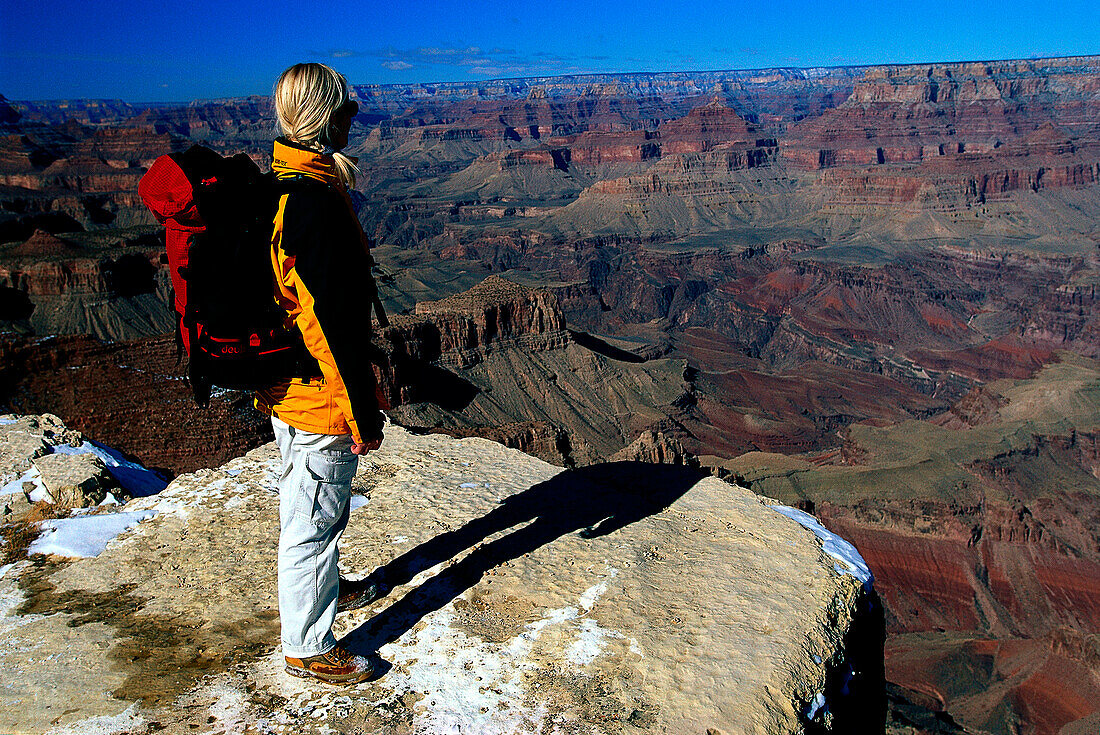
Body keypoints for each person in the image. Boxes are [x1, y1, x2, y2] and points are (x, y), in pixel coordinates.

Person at [254, 62, 384, 685]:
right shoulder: (312, 206)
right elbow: (327, 324)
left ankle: (323, 591)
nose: (354, 117)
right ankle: (306, 645)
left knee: (314, 510)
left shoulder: (279, 185)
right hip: (315, 394)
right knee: (311, 523)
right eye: (348, 108)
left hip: (286, 387)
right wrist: (360, 410)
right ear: (325, 116)